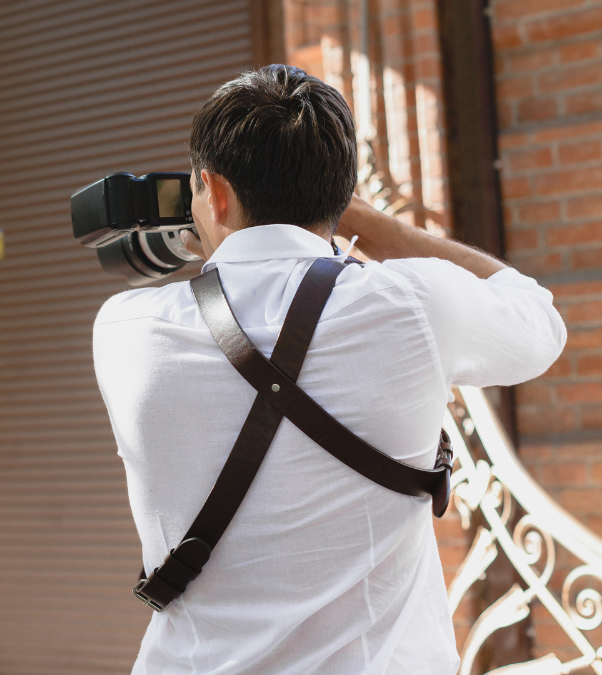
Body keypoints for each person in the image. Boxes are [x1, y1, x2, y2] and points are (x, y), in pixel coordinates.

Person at [92, 65, 566, 675]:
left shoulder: (124, 328)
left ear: (213, 191)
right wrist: (378, 227)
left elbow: (224, 299)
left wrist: (211, 243)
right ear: (340, 198)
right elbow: (540, 324)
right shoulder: (413, 304)